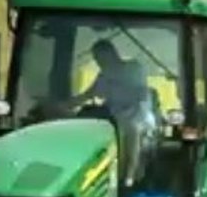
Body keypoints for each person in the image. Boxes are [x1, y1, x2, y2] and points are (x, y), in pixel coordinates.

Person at [65, 40, 158, 186]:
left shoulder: (133, 68)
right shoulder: (104, 75)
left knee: (132, 128)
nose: (99, 62)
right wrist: (66, 105)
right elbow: (88, 95)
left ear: (112, 54)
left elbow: (140, 93)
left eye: (101, 58)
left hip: (139, 114)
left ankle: (129, 176)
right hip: (113, 117)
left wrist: (118, 95)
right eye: (96, 59)